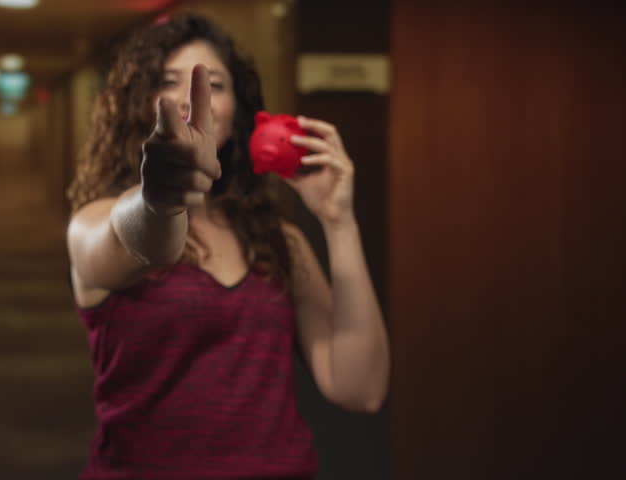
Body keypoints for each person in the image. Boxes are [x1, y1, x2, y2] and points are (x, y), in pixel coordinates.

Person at [66, 14, 389, 479]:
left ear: (238, 115)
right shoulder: (94, 221)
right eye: (166, 81)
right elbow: (141, 239)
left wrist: (339, 222)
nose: (187, 100)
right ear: (138, 105)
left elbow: (361, 389)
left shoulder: (278, 241)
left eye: (213, 85)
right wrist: (161, 197)